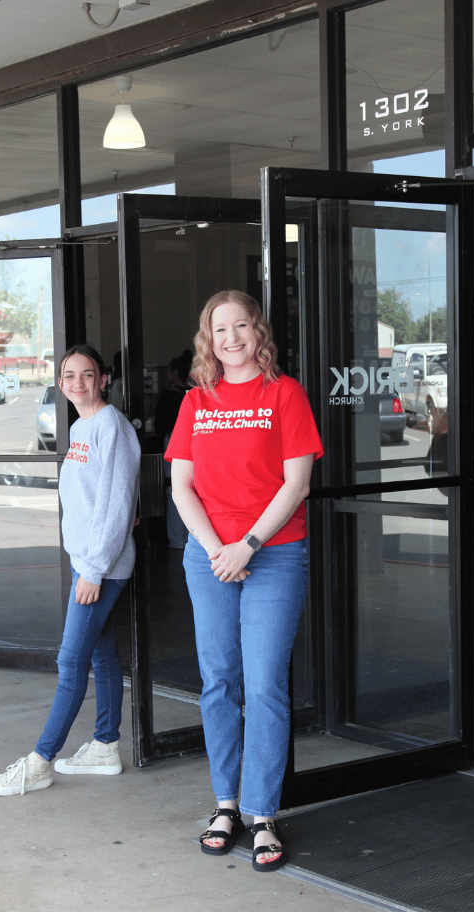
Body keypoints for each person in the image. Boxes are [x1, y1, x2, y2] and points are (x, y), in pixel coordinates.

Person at [165, 290, 323, 871]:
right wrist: (217, 550)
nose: (230, 338)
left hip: (274, 555)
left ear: (259, 331)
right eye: (219, 329)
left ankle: (262, 813)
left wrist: (248, 545)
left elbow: (296, 484)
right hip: (210, 559)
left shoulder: (284, 394)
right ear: (208, 338)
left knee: (263, 687)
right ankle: (225, 805)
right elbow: (182, 487)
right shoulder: (195, 402)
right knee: (219, 682)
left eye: (241, 326)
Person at [0, 345, 140, 796]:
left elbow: (115, 506)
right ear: (60, 381)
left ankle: (40, 762)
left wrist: (92, 569)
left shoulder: (112, 426)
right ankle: (105, 747)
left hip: (101, 567)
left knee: (71, 660)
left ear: (103, 379)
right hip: (89, 561)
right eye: (69, 375)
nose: (77, 383)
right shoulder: (79, 425)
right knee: (100, 654)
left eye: (87, 375)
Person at [154, 349, 194, 549]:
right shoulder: (195, 394)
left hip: (174, 444)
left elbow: (160, 425)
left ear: (173, 373)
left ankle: (177, 539)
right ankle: (192, 537)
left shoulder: (170, 396)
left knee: (175, 489)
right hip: (196, 444)